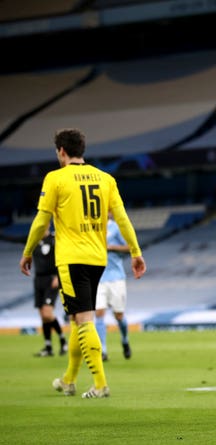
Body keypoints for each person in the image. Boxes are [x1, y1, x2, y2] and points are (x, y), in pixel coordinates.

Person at [19, 128, 146, 399]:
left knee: (83, 318)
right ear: (82, 150)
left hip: (71, 259)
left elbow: (42, 221)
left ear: (61, 151)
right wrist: (136, 251)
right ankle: (68, 380)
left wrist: (28, 251)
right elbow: (122, 218)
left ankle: (100, 384)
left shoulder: (55, 178)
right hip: (97, 258)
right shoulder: (105, 179)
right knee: (78, 319)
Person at [95, 213, 132, 362]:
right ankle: (102, 350)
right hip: (98, 278)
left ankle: (124, 339)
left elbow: (130, 247)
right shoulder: (92, 228)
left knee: (119, 316)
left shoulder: (116, 228)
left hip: (116, 277)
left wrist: (110, 247)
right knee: (99, 313)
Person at [31, 224, 67, 357]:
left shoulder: (54, 239)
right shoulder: (33, 240)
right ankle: (48, 347)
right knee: (43, 315)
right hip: (38, 280)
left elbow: (62, 256)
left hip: (51, 279)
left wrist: (58, 275)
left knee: (47, 313)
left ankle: (63, 340)